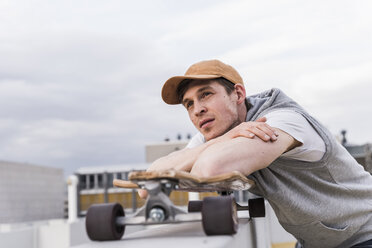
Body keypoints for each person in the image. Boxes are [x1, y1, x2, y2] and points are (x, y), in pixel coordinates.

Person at [141, 59, 372, 248]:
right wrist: (225, 138)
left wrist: (217, 145)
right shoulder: (218, 133)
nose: (198, 109)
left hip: (364, 234)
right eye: (188, 104)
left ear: (238, 94)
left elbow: (210, 170)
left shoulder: (280, 121)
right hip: (314, 243)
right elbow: (148, 183)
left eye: (206, 95)